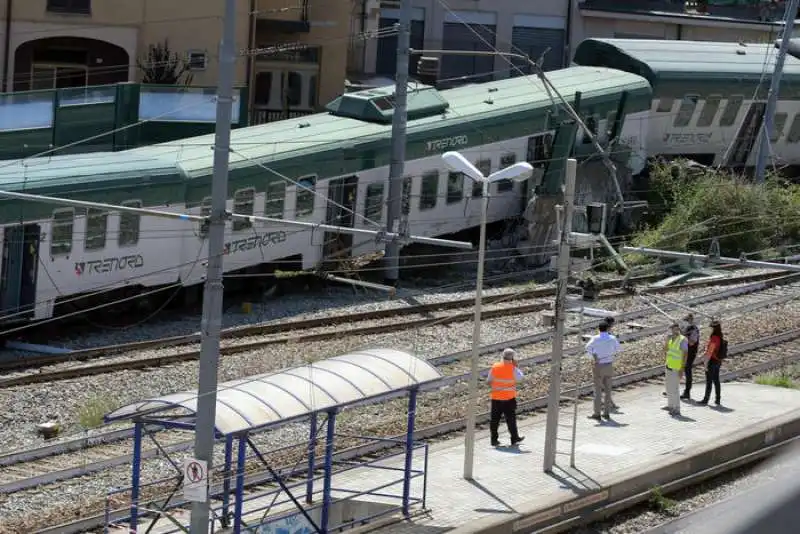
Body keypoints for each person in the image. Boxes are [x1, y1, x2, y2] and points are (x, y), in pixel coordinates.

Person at [487, 348, 525, 447]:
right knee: (511, 420)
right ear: (512, 358)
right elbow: (520, 378)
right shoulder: (513, 368)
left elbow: (489, 381)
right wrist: (516, 366)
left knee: (494, 420)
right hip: (509, 399)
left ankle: (493, 440)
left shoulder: (495, 366)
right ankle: (514, 438)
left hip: (496, 398)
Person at [585, 321, 621, 420]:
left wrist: (594, 356)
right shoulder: (612, 338)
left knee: (598, 390)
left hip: (599, 365)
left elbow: (587, 348)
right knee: (608, 390)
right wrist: (611, 353)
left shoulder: (595, 338)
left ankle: (597, 414)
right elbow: (618, 349)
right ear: (608, 329)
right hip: (609, 365)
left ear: (599, 329)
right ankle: (606, 412)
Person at [664, 322, 688, 416]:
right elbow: (666, 350)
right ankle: (670, 406)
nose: (673, 331)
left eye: (675, 329)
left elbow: (685, 354)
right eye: (671, 329)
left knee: (675, 389)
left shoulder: (682, 340)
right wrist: (666, 341)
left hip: (676, 368)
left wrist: (682, 368)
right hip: (669, 366)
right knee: (669, 388)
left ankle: (676, 408)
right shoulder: (670, 339)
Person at [699, 320, 725, 406]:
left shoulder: (714, 338)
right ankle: (718, 399)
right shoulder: (720, 336)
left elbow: (710, 351)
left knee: (709, 381)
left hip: (712, 361)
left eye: (711, 327)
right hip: (718, 361)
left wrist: (705, 363)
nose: (711, 329)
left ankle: (706, 400)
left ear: (714, 328)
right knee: (716, 380)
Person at [681, 314, 701, 400]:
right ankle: (672, 389)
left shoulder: (693, 330)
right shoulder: (687, 329)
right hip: (685, 352)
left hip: (690, 353)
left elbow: (692, 342)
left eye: (686, 320)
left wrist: (684, 337)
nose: (685, 322)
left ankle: (687, 392)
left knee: (688, 371)